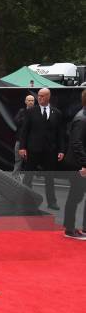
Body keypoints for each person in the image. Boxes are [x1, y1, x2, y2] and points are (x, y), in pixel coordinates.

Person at [19, 88, 65, 210]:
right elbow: (24, 131)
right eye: (38, 96)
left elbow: (60, 133)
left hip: (50, 150)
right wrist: (22, 147)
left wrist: (61, 150)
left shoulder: (57, 113)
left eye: (42, 96)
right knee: (28, 177)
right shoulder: (31, 112)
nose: (39, 98)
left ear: (48, 97)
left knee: (49, 177)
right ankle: (25, 201)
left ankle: (52, 202)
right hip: (33, 149)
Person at [62, 90, 86, 240]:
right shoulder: (81, 119)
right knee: (76, 197)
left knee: (76, 196)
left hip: (80, 163)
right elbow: (76, 143)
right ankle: (70, 229)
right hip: (78, 165)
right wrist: (84, 164)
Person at [12, 95, 35, 178]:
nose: (30, 102)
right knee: (18, 160)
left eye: (32, 100)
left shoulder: (37, 112)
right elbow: (16, 122)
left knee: (30, 162)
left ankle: (28, 180)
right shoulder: (22, 111)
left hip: (31, 141)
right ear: (25, 101)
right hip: (20, 140)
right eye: (29, 100)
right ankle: (14, 178)